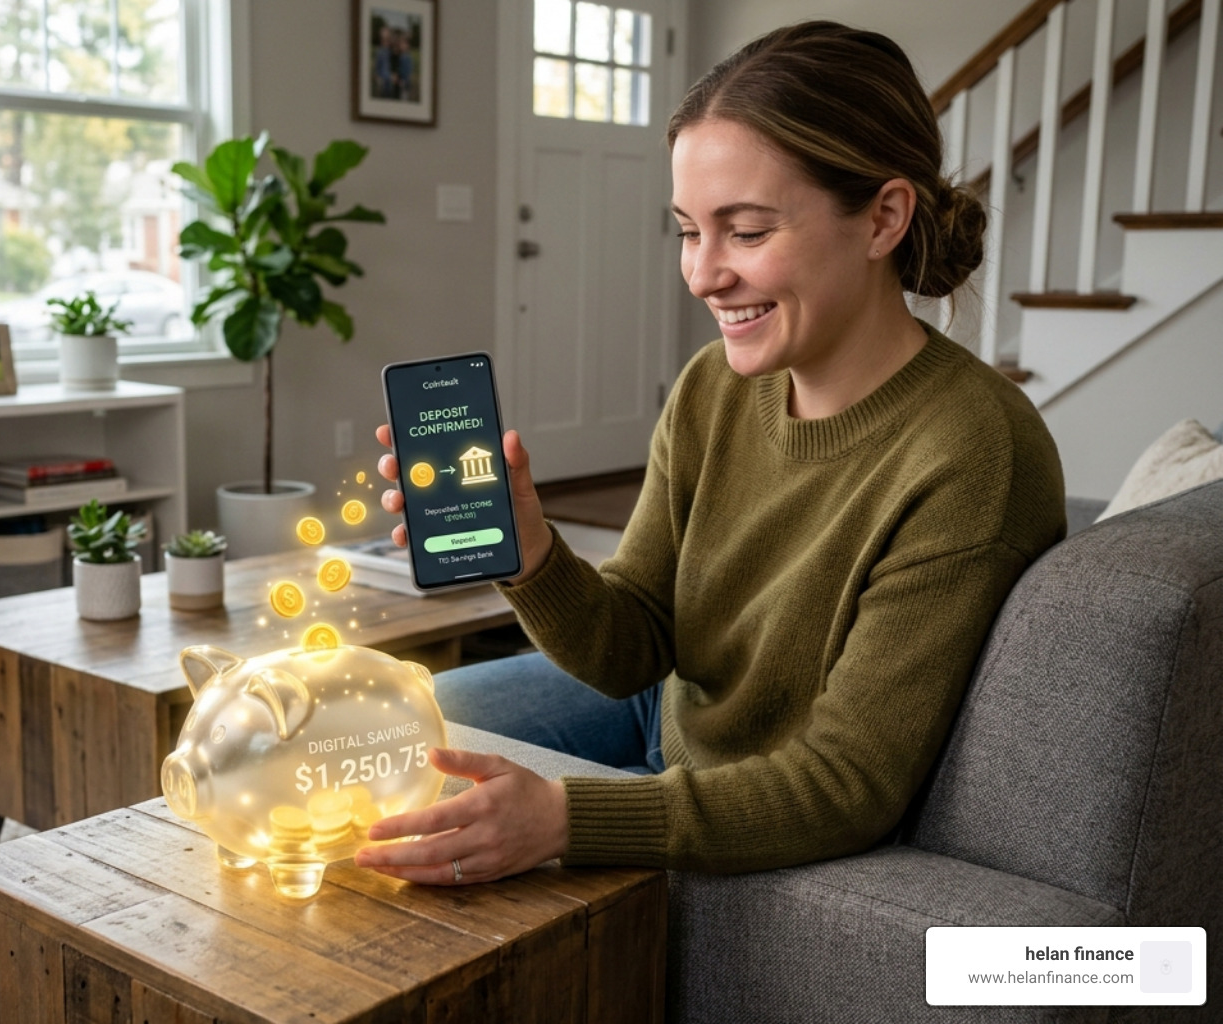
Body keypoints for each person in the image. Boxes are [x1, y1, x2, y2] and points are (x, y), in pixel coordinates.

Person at [355, 21, 1065, 887]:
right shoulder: (712, 388)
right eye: (690, 230)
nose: (702, 275)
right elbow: (632, 646)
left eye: (748, 232)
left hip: (760, 789)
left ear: (883, 218)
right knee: (386, 737)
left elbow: (846, 786)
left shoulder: (972, 454)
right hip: (670, 711)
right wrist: (530, 547)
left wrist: (563, 821)